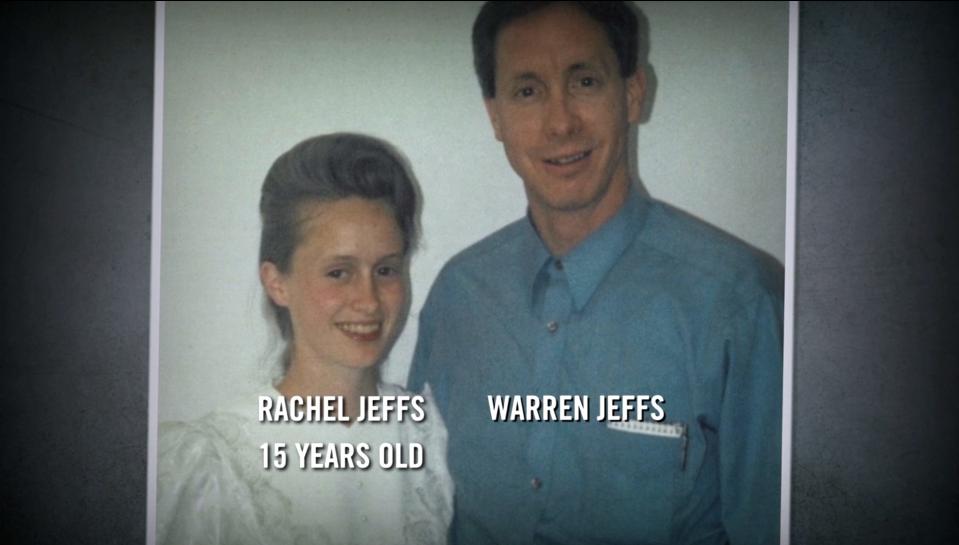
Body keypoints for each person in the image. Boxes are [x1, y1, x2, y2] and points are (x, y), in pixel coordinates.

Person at [408, 2, 783, 544]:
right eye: (528, 91)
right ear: (495, 115)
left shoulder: (737, 301)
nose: (561, 122)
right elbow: (421, 504)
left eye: (584, 81)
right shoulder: (457, 296)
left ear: (632, 93)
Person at [157, 133, 453, 545]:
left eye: (386, 270)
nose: (368, 302)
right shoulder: (213, 463)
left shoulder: (433, 438)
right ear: (277, 283)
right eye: (339, 272)